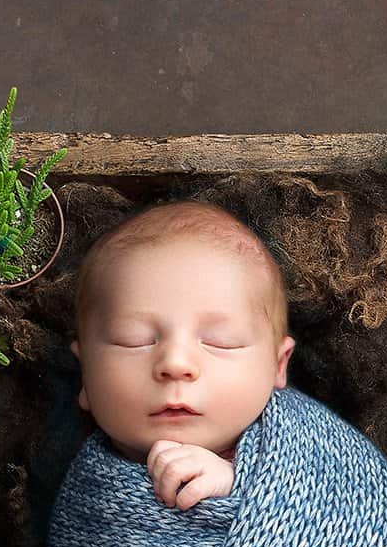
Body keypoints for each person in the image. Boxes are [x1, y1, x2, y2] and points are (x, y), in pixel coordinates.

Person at [69, 199, 294, 509]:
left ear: (278, 365)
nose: (175, 364)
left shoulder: (308, 453)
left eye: (220, 341)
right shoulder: (81, 497)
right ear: (85, 373)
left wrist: (239, 484)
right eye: (134, 340)